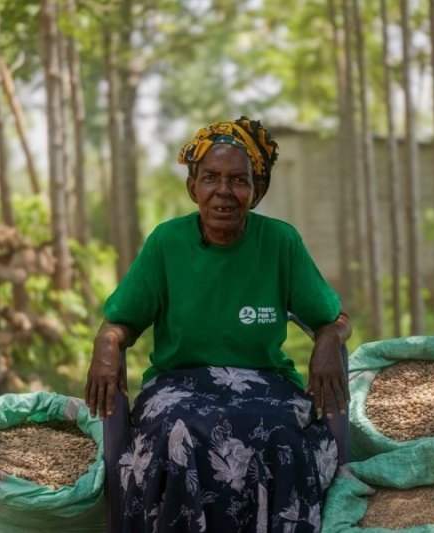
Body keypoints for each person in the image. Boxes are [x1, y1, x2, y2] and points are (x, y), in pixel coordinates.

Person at [85, 116, 351, 533]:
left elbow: (334, 318)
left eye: (238, 180)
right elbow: (121, 321)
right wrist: (106, 343)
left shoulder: (281, 243)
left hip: (267, 383)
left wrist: (329, 339)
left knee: (283, 433)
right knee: (176, 430)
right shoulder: (166, 243)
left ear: (257, 191)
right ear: (193, 188)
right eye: (210, 178)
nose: (223, 192)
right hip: (177, 386)